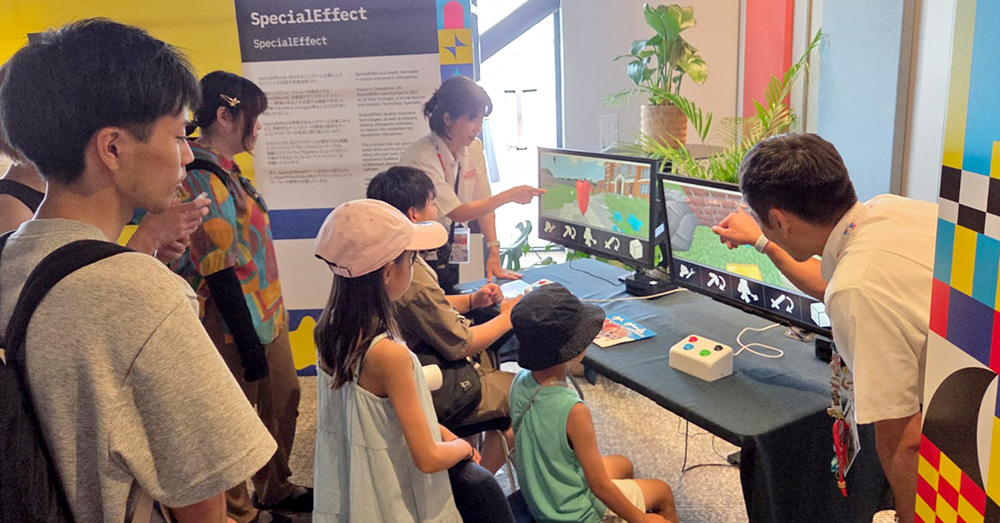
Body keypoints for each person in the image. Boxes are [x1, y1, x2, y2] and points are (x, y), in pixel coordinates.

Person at [0, 18, 276, 522]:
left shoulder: (7, 255)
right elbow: (202, 503)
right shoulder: (141, 292)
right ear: (113, 148)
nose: (188, 154)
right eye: (177, 135)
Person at [712, 133, 935, 523]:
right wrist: (762, 241)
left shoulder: (856, 290)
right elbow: (830, 280)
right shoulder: (885, 210)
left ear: (780, 219)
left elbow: (905, 440)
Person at [173, 71, 309, 522]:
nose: (259, 127)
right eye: (254, 116)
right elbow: (218, 265)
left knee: (283, 396)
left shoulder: (229, 173)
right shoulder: (199, 176)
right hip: (230, 319)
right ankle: (238, 510)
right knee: (231, 416)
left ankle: (274, 485)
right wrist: (248, 341)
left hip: (265, 310)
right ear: (225, 115)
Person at [312, 198, 473, 522]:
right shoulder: (389, 354)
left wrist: (439, 430)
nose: (413, 269)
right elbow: (427, 458)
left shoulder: (329, 332)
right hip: (393, 502)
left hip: (354, 492)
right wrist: (465, 449)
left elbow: (372, 418)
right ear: (388, 271)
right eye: (410, 260)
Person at [367, 165, 518, 473]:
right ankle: (480, 487)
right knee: (529, 395)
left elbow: (425, 307)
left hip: (424, 366)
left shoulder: (386, 254)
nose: (438, 211)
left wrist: (472, 300)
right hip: (436, 380)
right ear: (414, 213)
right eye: (433, 203)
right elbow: (461, 343)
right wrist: (509, 316)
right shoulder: (411, 275)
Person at [0, 61, 210, 261]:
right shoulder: (10, 206)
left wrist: (153, 253)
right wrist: (147, 238)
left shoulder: (69, 194)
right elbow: (72, 289)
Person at [509, 284, 678, 523]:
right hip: (574, 514)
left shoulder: (520, 381)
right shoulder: (573, 410)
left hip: (543, 495)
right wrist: (640, 519)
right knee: (662, 492)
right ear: (571, 347)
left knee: (623, 465)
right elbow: (599, 487)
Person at [401, 75, 545, 289]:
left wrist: (493, 251)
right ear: (448, 118)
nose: (477, 127)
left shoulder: (474, 148)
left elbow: (483, 203)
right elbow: (458, 212)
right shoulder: (420, 157)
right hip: (419, 253)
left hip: (448, 247)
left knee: (454, 297)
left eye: (481, 119)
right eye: (471, 119)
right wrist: (509, 196)